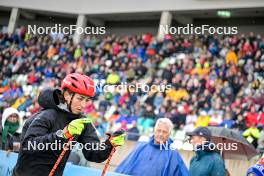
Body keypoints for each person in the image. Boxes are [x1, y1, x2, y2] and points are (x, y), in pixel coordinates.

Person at [13, 73, 125, 176]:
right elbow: (27, 145)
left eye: (86, 100)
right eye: (80, 98)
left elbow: (93, 153)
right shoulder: (47, 115)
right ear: (67, 95)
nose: (83, 105)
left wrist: (108, 144)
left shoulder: (82, 121)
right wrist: (62, 135)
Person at [116, 118, 189, 176]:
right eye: (158, 130)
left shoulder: (172, 154)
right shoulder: (141, 147)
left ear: (169, 134)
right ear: (154, 131)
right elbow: (124, 167)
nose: (160, 134)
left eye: (164, 132)